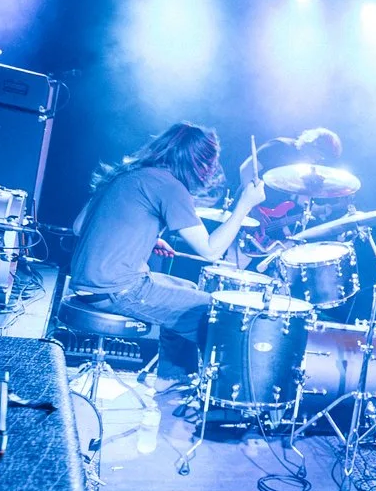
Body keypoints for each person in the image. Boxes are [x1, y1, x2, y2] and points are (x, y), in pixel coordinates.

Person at [66, 121, 266, 348]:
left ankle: (172, 371)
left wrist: (146, 240)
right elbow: (211, 251)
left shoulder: (125, 174)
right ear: (200, 163)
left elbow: (79, 226)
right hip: (116, 289)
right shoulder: (170, 186)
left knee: (190, 289)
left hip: (83, 283)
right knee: (214, 309)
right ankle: (179, 371)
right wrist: (245, 205)